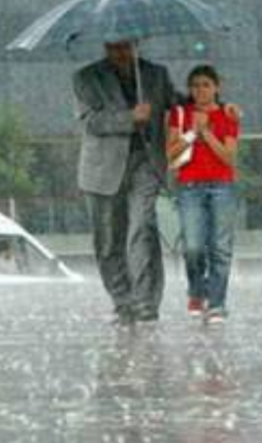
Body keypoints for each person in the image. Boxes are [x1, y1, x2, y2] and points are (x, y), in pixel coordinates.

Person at [73, 40, 178, 325]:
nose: (121, 53)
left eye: (126, 46)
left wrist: (215, 105)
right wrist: (130, 117)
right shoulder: (86, 78)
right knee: (108, 241)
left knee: (142, 229)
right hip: (101, 171)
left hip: (145, 163)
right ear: (105, 47)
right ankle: (123, 302)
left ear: (136, 45)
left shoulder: (155, 74)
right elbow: (92, 122)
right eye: (114, 47)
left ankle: (146, 303)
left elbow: (178, 104)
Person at [167, 65, 239, 324]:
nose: (200, 90)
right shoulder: (181, 114)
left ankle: (217, 303)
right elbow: (170, 152)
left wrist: (206, 133)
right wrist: (192, 133)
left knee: (220, 247)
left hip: (222, 185)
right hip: (190, 186)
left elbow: (228, 157)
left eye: (206, 85)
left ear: (217, 87)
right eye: (195, 85)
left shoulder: (228, 115)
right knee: (193, 247)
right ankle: (197, 290)